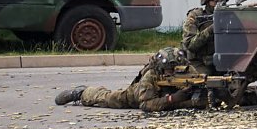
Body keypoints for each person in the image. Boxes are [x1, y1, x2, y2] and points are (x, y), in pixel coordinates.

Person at [54, 47, 205, 112]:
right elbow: (145, 105)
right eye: (168, 70)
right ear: (159, 68)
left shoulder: (186, 69)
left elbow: (199, 81)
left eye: (176, 69)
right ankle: (81, 93)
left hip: (168, 100)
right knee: (107, 98)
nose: (172, 72)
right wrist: (173, 99)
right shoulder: (151, 76)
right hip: (134, 98)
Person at [182, 0, 229, 75]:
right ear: (206, 1)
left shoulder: (229, 15)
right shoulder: (195, 16)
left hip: (223, 61)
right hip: (200, 62)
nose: (219, 4)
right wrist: (211, 29)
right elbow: (190, 44)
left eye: (222, 0)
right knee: (204, 82)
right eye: (215, 0)